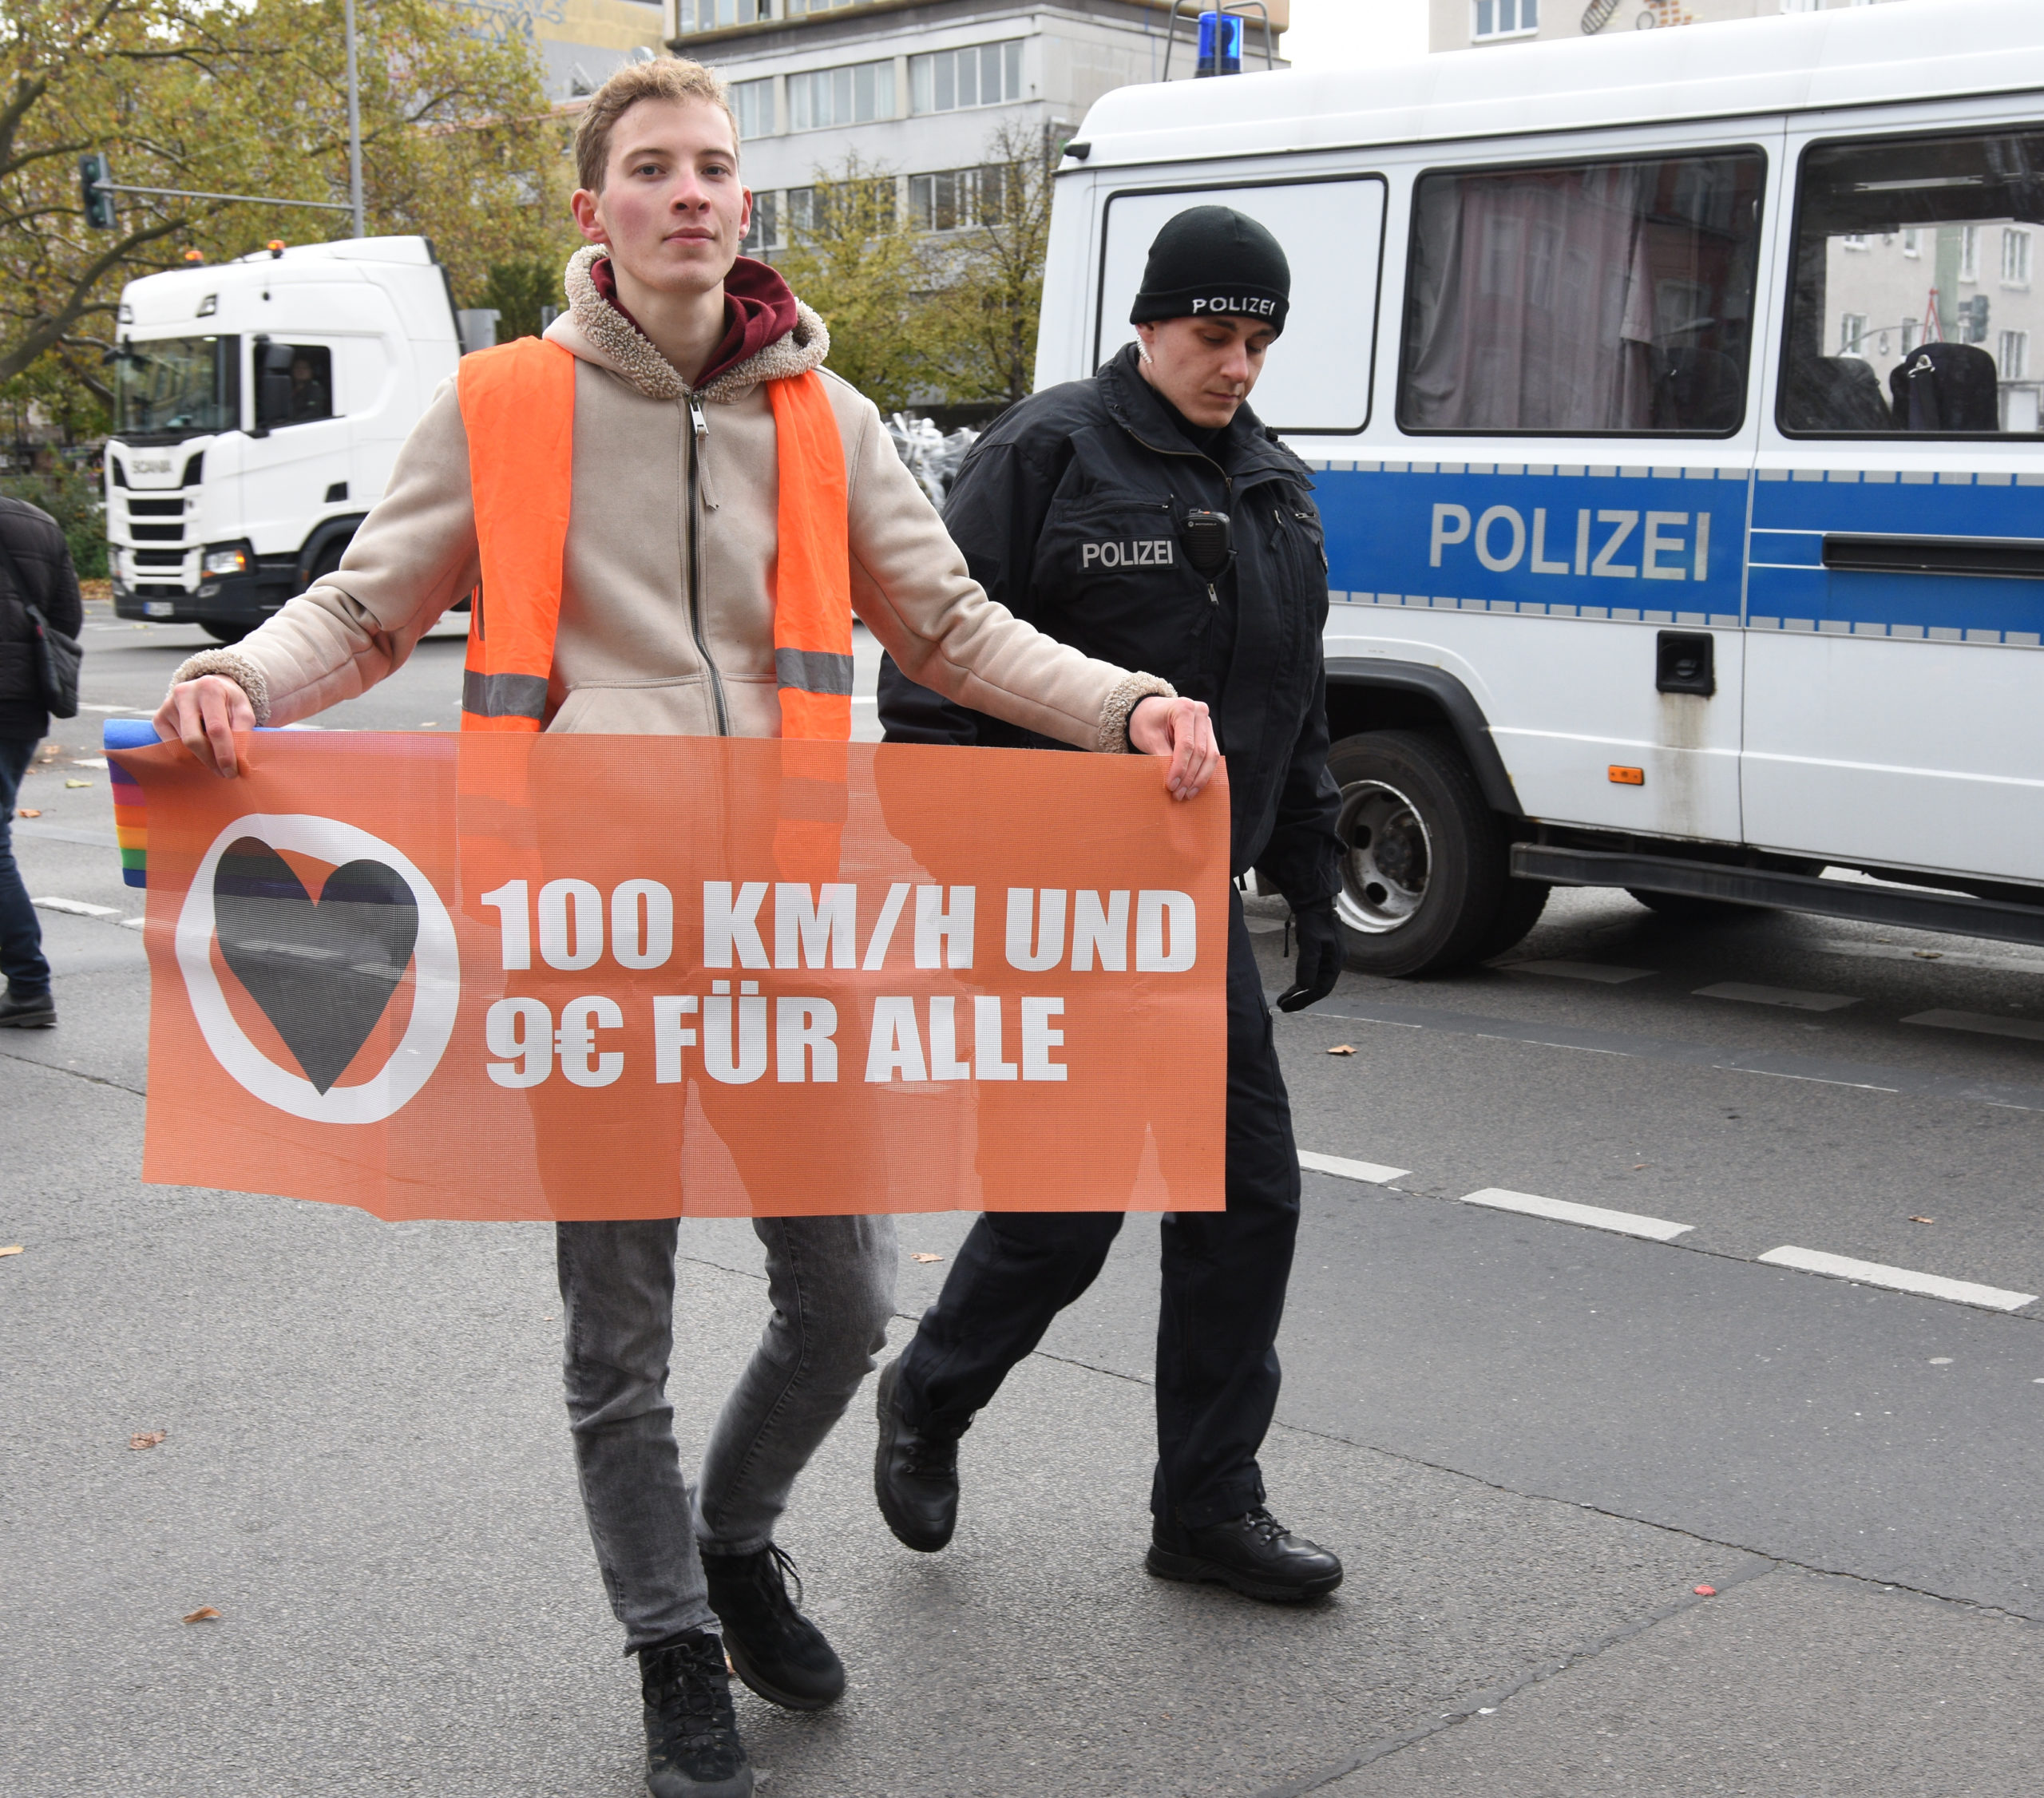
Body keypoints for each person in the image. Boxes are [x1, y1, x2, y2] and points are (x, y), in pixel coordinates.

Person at [151, 57, 1217, 1798]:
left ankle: (732, 1541)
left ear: (743, 202)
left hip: (782, 934)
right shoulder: (503, 402)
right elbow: (365, 608)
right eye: (652, 167)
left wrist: (1126, 707)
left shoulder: (828, 416)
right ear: (597, 210)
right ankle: (668, 1648)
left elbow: (949, 627)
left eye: (714, 165)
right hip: (588, 933)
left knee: (844, 1297)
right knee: (618, 1332)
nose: (690, 192)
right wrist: (236, 677)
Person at [872, 205, 1349, 1606]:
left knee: (1246, 1205)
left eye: (1259, 342)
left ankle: (1206, 1507)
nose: (1237, 365)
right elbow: (931, 672)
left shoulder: (1274, 484)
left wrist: (1309, 859)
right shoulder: (1047, 455)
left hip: (1192, 913)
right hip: (1056, 904)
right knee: (1064, 1217)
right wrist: (975, 871)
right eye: (1214, 334)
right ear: (1149, 324)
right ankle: (930, 1396)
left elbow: (1291, 688)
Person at [0, 493, 83, 1029]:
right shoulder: (37, 522)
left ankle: (30, 983)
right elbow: (66, 619)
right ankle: (28, 985)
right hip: (22, 702)